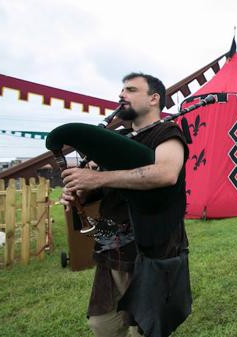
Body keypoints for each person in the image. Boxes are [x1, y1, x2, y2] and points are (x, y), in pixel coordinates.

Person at [60, 73, 191, 337]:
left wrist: (97, 177)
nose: (122, 96)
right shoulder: (115, 139)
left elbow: (166, 174)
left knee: (144, 327)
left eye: (131, 89)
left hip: (154, 243)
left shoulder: (168, 133)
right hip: (112, 243)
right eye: (121, 90)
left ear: (154, 99)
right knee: (103, 325)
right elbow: (99, 187)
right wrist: (79, 191)